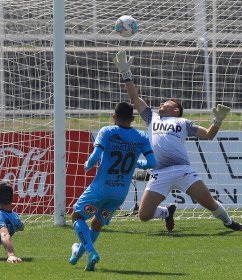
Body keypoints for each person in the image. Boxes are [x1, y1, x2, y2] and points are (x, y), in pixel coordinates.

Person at [113, 50, 242, 232]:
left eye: (167, 103)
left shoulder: (183, 123)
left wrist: (217, 121)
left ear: (176, 110)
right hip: (159, 172)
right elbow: (135, 98)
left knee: (210, 203)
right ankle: (167, 212)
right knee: (144, 215)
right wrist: (126, 74)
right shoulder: (152, 117)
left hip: (183, 170)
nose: (162, 104)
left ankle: (230, 223)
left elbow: (208, 135)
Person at [69, 101, 157, 271]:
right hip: (120, 192)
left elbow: (96, 157)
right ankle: (78, 254)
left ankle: (91, 252)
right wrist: (136, 164)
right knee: (96, 224)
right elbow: (152, 162)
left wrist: (87, 164)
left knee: (77, 217)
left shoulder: (107, 131)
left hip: (101, 188)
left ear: (114, 117)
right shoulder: (142, 136)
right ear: (132, 118)